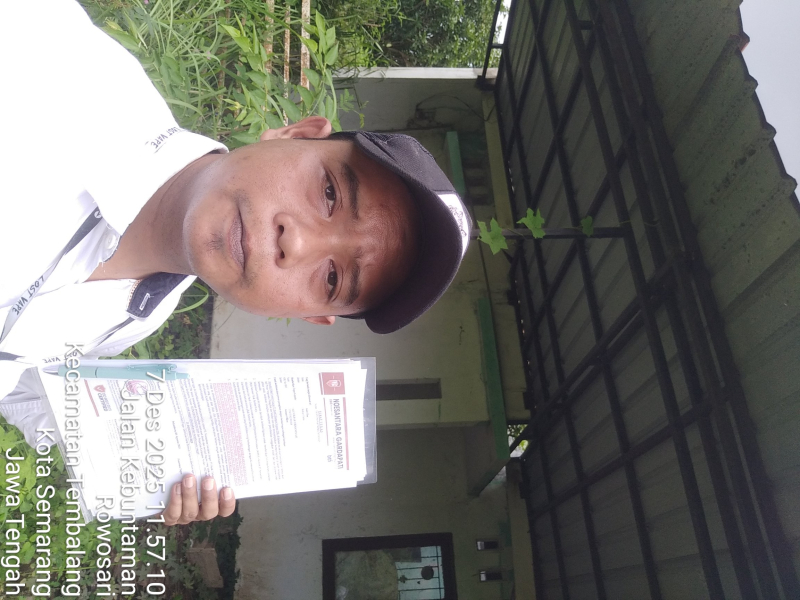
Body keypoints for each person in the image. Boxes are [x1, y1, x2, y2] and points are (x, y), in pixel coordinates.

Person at [0, 0, 470, 525]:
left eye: (333, 277)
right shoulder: (46, 59)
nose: (298, 243)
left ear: (310, 314)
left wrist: (133, 467)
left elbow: (23, 387)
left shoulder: (142, 310)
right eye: (330, 194)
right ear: (295, 134)